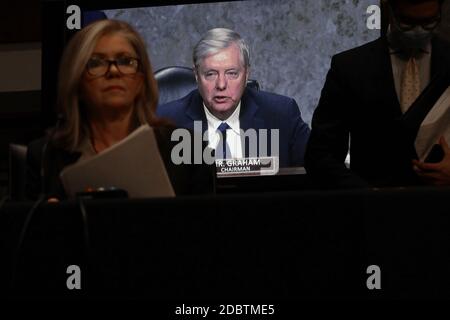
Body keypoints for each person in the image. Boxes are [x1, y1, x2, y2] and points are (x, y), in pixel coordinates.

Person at [26, 19, 214, 200]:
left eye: (125, 61)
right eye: (96, 63)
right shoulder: (44, 156)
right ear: (77, 80)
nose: (114, 71)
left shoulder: (190, 149)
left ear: (141, 79)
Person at [305, 0, 450, 188]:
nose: (418, 30)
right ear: (390, 11)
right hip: (370, 210)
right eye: (407, 22)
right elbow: (320, 156)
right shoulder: (350, 67)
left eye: (428, 22)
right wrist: (369, 196)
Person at [157, 28, 310, 167]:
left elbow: (317, 173)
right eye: (210, 74)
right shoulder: (164, 122)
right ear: (197, 75)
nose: (221, 84)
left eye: (232, 73)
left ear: (247, 74)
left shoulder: (283, 114)